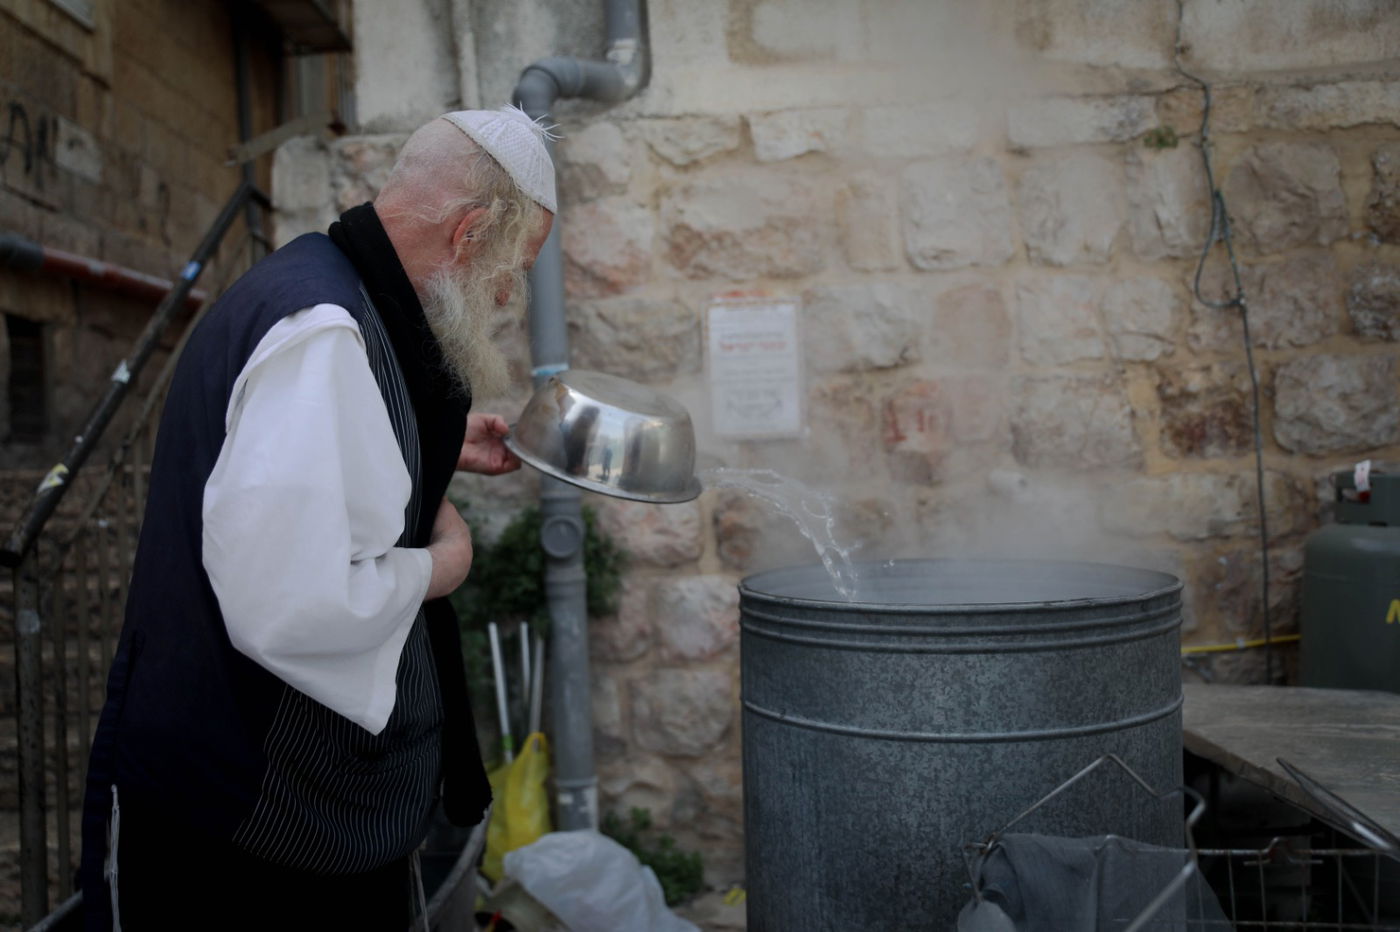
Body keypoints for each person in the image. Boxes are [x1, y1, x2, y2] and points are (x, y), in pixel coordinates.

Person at [77, 105, 556, 930]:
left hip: (281, 812)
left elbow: (327, 478)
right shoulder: (322, 332)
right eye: (518, 263)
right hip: (254, 824)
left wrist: (429, 459)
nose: (511, 292)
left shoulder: (326, 283)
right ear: (472, 233)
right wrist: (446, 563)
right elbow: (295, 603)